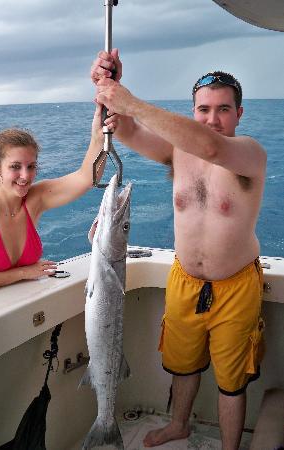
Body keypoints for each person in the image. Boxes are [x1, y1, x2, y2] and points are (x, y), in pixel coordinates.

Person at [91, 50, 267, 450]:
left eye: (224, 109)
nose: (212, 119)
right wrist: (106, 87)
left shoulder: (249, 154)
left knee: (231, 380)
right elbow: (127, 131)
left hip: (236, 286)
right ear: (192, 110)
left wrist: (131, 100)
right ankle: (178, 425)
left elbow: (210, 147)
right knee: (182, 364)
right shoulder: (178, 151)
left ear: (240, 113)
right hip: (184, 282)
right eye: (203, 109)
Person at [0, 105, 115, 295]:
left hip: (23, 304)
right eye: (15, 166)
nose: (25, 176)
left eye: (31, 166)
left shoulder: (35, 197)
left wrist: (99, 136)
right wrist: (23, 273)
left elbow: (87, 178)